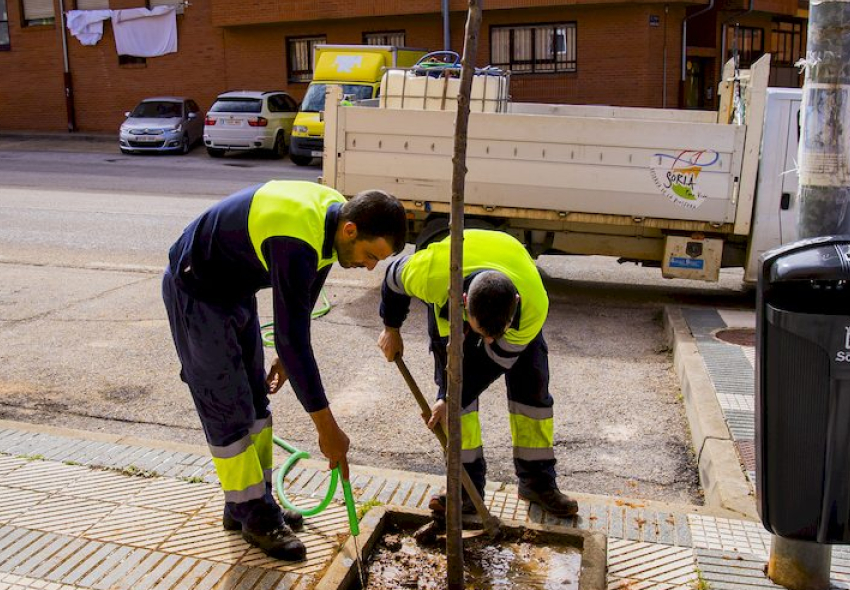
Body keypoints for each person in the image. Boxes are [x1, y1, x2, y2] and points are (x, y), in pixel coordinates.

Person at [162, 181, 406, 560]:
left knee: (256, 400)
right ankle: (255, 515)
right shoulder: (297, 236)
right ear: (351, 230)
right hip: (197, 289)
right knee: (225, 404)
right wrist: (328, 430)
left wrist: (285, 355)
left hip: (235, 287)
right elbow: (294, 338)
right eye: (371, 255)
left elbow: (306, 294)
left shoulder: (335, 219)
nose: (370, 267)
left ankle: (248, 503)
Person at [376, 229, 579, 517]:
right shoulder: (430, 274)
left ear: (516, 303)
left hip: (513, 282)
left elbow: (489, 365)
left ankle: (538, 483)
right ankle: (464, 489)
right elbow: (392, 277)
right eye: (484, 334)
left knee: (531, 396)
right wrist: (391, 328)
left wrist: (448, 398)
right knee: (459, 402)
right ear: (463, 301)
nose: (490, 342)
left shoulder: (534, 304)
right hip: (450, 312)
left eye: (498, 334)